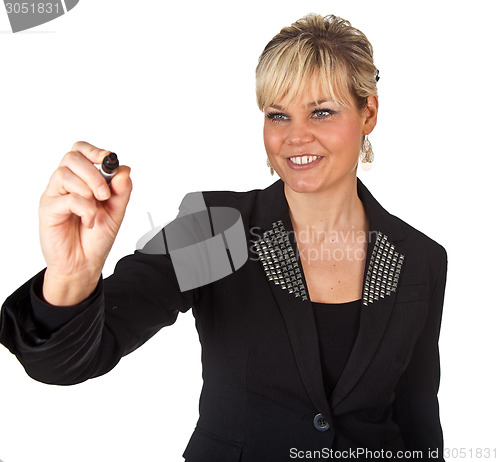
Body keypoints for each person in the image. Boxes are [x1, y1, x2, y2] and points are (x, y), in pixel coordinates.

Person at [0, 14, 447, 462]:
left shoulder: (420, 259)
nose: (295, 136)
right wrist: (71, 274)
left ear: (367, 112)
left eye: (322, 111)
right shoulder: (218, 230)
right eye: (278, 115)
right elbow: (66, 363)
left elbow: (418, 421)